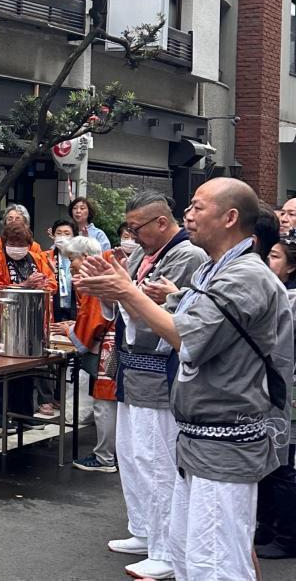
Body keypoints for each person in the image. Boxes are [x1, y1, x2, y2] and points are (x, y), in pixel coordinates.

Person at [76, 178, 294, 581]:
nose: (188, 216)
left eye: (197, 207)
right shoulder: (216, 268)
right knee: (198, 553)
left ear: (230, 218)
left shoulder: (246, 275)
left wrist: (127, 291)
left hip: (225, 436)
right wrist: (133, 291)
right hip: (202, 433)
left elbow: (187, 335)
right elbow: (187, 316)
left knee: (215, 559)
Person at [87, 190, 209, 579]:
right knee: (132, 453)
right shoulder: (141, 253)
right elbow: (126, 304)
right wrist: (107, 289)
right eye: (129, 228)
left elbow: (178, 314)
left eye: (137, 227)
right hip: (132, 364)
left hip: (160, 366)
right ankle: (143, 529)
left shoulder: (188, 255)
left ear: (161, 222)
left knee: (157, 460)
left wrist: (124, 292)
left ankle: (166, 548)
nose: (133, 235)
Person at [50, 236, 117, 474]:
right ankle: (110, 454)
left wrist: (71, 331)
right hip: (114, 344)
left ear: (86, 257)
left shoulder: (96, 282)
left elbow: (93, 322)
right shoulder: (107, 274)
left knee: (105, 403)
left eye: (72, 259)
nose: (71, 265)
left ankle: (105, 456)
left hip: (108, 349)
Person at [0, 221, 56, 427]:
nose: (17, 246)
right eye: (13, 242)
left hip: (31, 323)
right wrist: (24, 285)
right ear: (5, 242)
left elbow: (53, 284)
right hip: (2, 323)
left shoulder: (38, 259)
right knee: (0, 369)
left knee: (26, 370)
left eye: (22, 242)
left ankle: (24, 415)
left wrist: (43, 284)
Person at [258, 236, 296, 560]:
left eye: (275, 257)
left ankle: (287, 535)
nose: (269, 263)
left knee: (285, 464)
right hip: (275, 389)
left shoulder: (290, 298)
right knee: (271, 460)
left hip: (287, 390)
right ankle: (267, 526)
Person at [38, 219, 80, 417]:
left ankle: (61, 395)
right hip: (51, 307)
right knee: (47, 352)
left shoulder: (78, 258)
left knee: (69, 355)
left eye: (68, 233)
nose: (63, 237)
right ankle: (45, 398)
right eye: (60, 233)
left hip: (72, 309)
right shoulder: (44, 257)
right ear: (52, 235)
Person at [0, 204, 40, 279]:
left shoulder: (34, 246)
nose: (13, 222)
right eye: (10, 219)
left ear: (25, 224)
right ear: (5, 222)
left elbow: (40, 268)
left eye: (17, 219)